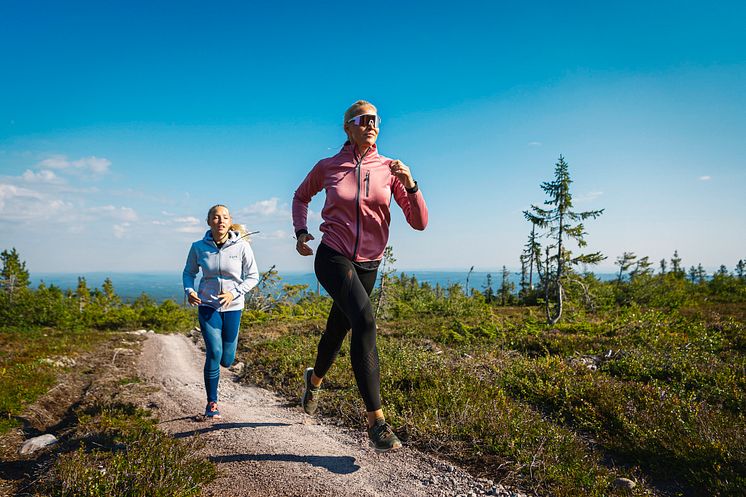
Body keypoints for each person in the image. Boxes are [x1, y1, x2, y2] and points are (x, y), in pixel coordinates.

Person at [292, 100, 428, 451]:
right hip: (333, 255)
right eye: (363, 120)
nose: (371, 125)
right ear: (347, 127)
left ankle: (315, 380)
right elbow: (300, 196)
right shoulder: (328, 166)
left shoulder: (389, 168)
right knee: (365, 321)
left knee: (339, 327)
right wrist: (301, 232)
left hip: (370, 263)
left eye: (375, 120)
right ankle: (376, 421)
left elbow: (419, 222)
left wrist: (411, 184)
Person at [183, 204, 259, 419]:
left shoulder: (242, 246)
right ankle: (212, 403)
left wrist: (234, 293)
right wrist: (189, 290)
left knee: (227, 360)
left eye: (224, 217)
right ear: (209, 222)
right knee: (214, 353)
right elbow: (188, 273)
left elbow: (253, 276)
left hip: (233, 307)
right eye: (216, 217)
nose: (221, 221)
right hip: (208, 306)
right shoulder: (198, 247)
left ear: (229, 220)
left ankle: (219, 378)